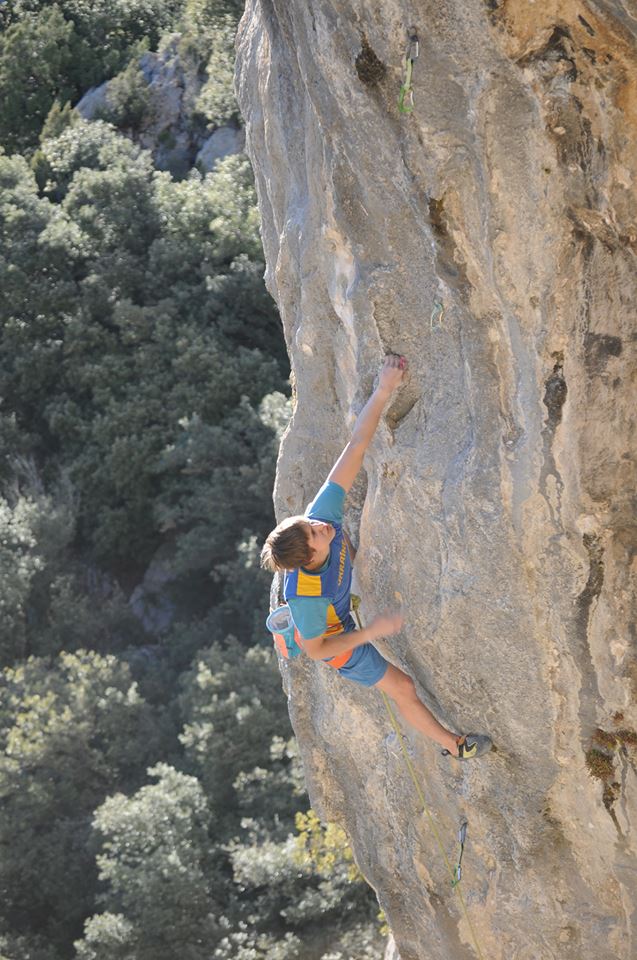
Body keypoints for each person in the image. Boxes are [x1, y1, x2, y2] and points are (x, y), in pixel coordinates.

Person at [261, 355, 491, 760]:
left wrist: (384, 388)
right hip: (337, 639)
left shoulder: (320, 518)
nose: (323, 527)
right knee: (402, 688)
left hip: (337, 605)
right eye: (316, 534)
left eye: (313, 524)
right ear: (310, 556)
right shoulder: (307, 597)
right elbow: (318, 651)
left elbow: (356, 447)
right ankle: (456, 747)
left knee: (341, 538)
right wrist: (371, 632)